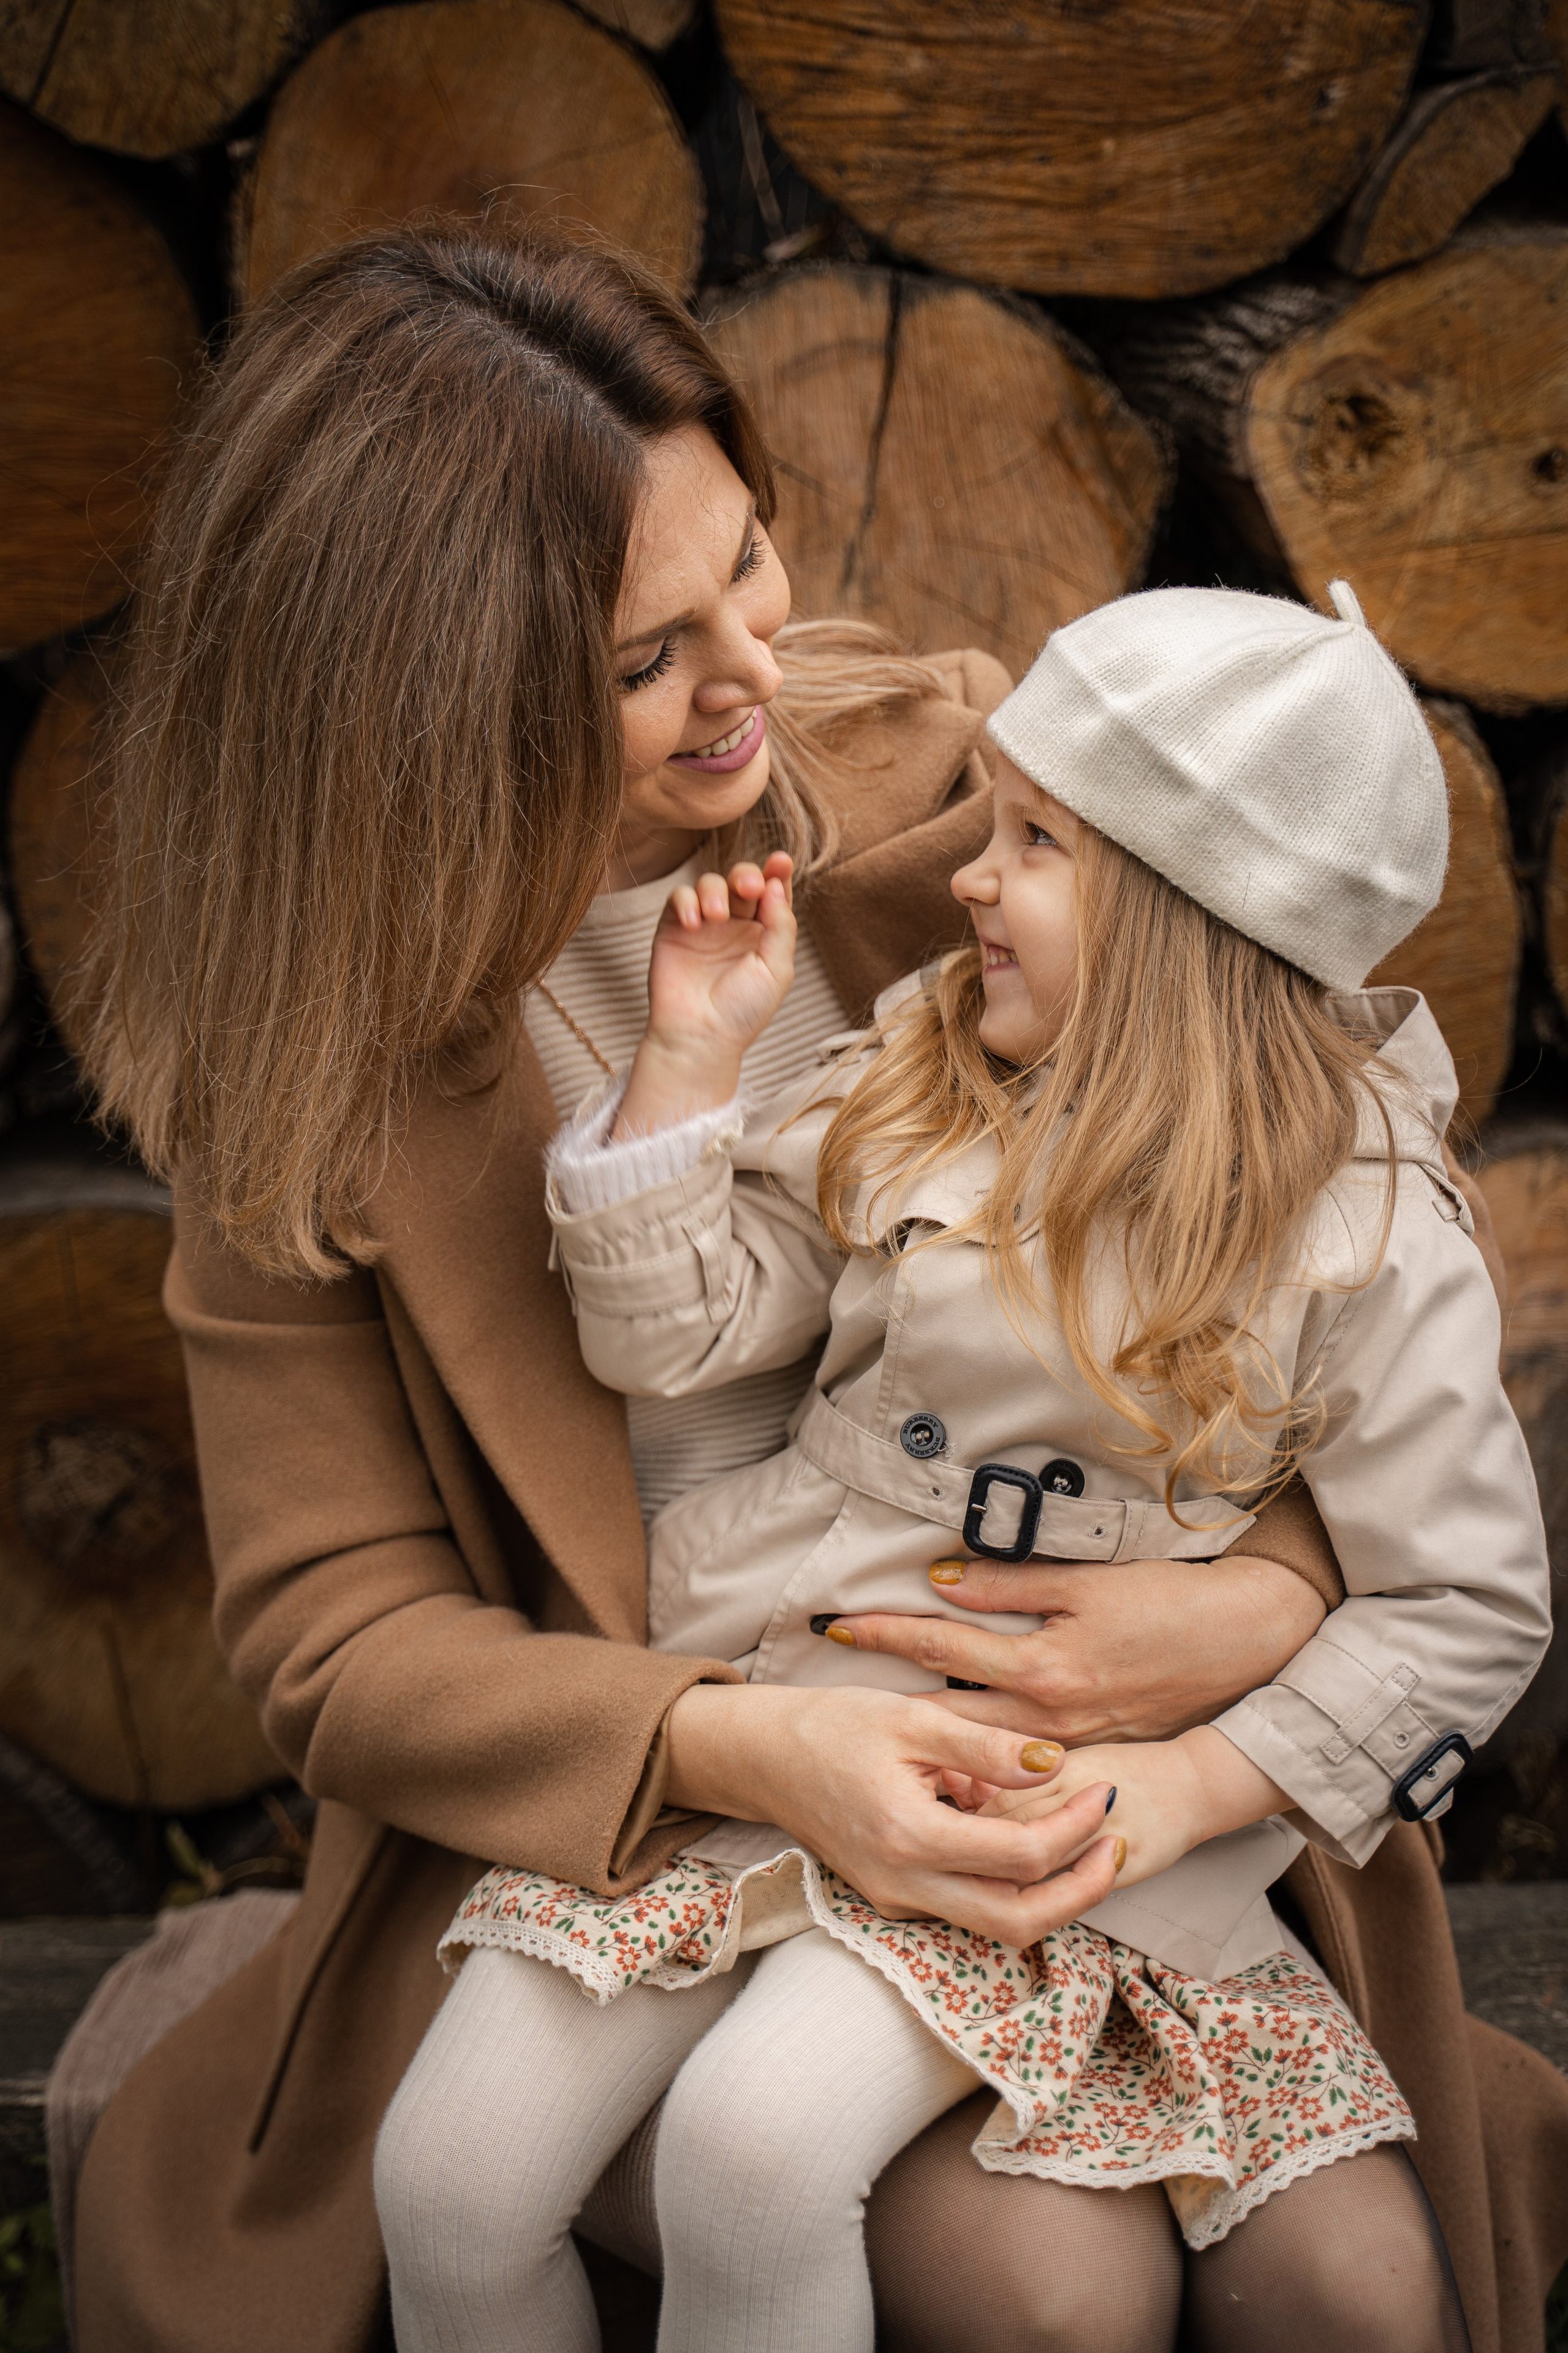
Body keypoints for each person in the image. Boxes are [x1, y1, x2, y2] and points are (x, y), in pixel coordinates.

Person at [67, 226, 1568, 2353]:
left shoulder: (958, 774)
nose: (751, 678)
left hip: (1102, 1771)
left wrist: (1276, 1592)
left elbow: (1287, 1219)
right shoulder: (317, 1074)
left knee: (1329, 2281)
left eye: (748, 563)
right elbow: (340, 1647)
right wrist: (755, 1748)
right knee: (1018, 2274)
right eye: (637, 659)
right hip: (657, 1810)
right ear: (421, 710)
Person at [371, 583, 1548, 2353]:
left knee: (756, 2155)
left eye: (1038, 844)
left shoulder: (1363, 1227)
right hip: (772, 1710)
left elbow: (1465, 1602)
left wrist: (1195, 1792)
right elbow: (679, 1332)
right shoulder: (933, 1059)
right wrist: (687, 1065)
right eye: (989, 823)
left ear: (1193, 917)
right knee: (447, 2181)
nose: (974, 880)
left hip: (1039, 1811)